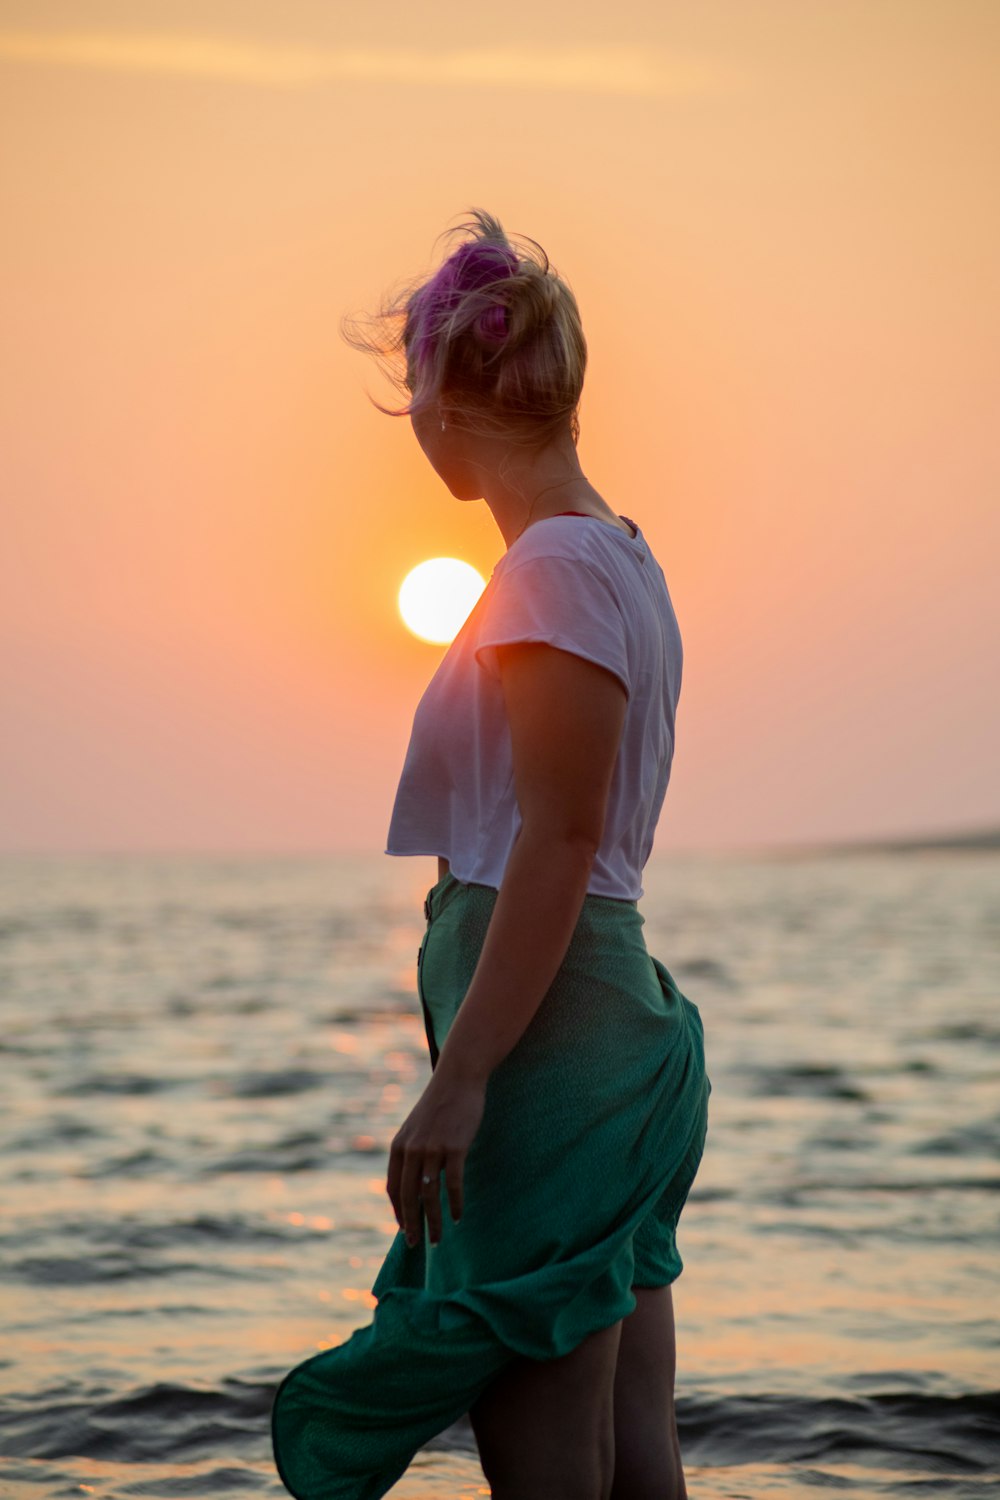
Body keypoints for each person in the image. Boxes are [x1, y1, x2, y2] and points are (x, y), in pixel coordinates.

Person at [271, 209, 711, 1500]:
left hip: (551, 1047)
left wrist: (462, 1080)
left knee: (550, 1468)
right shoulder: (616, 558)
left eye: (408, 386)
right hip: (601, 1029)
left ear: (441, 404)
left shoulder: (552, 574)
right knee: (636, 1459)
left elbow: (560, 844)